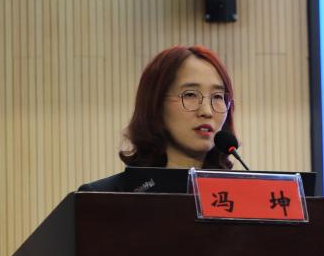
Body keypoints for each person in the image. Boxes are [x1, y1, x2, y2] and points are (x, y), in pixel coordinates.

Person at [79, 45, 236, 192]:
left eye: (217, 96)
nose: (207, 111)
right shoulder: (101, 197)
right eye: (190, 95)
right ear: (155, 103)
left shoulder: (240, 196)